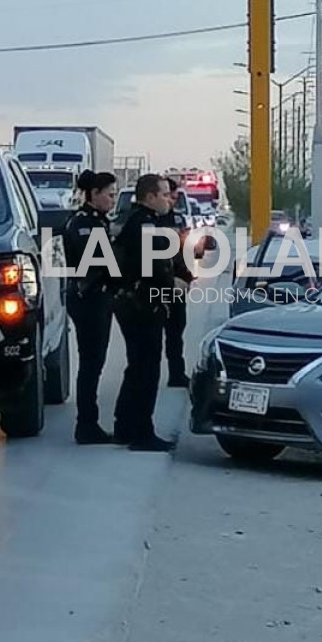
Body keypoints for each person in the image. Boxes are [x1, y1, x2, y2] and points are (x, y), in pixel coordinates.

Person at [112, 173, 177, 452]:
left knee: (136, 366)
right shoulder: (144, 225)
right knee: (147, 369)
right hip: (142, 304)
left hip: (132, 302)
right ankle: (142, 432)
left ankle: (125, 425)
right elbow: (154, 267)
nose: (169, 199)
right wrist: (173, 286)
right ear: (150, 197)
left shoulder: (136, 220)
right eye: (164, 194)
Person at [62, 170, 120, 444]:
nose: (113, 200)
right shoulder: (85, 224)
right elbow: (100, 264)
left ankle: (88, 422)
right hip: (90, 298)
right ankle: (86, 424)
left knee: (94, 361)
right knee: (91, 362)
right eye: (109, 195)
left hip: (95, 297)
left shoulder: (96, 222)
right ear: (94, 195)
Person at [160, 179, 196, 387]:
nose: (171, 201)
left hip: (177, 283)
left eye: (173, 198)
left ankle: (176, 373)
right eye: (169, 197)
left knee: (176, 331)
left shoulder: (178, 219)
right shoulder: (151, 221)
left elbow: (185, 251)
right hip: (157, 283)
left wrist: (187, 277)